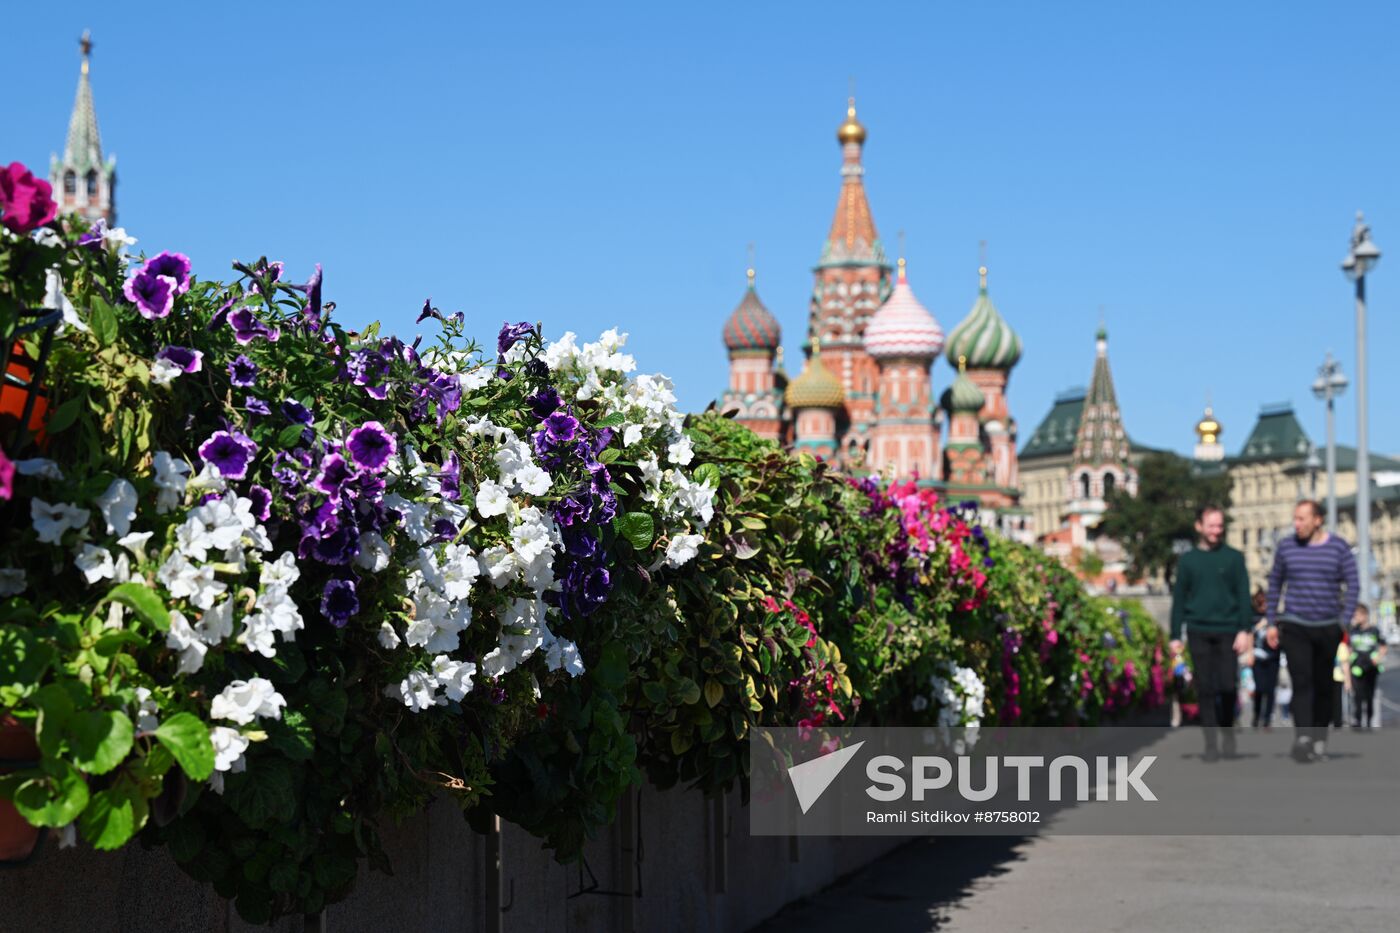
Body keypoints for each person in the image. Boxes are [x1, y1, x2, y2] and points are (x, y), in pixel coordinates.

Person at [1264, 500, 1360, 762]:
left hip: (1328, 626)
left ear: (1318, 520)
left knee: (1323, 685)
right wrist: (1271, 621)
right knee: (1301, 681)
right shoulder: (1287, 547)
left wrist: (1345, 619)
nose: (1297, 524)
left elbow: (1353, 583)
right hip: (1295, 624)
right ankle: (1303, 737)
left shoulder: (1338, 547)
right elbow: (1275, 584)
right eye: (1295, 518)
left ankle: (1319, 739)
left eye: (1302, 519)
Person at [1170, 505, 1252, 761]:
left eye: (1220, 526)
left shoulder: (1234, 558)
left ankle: (1228, 732)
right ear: (1199, 527)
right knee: (1205, 687)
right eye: (1211, 526)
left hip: (1228, 630)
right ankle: (1210, 743)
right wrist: (1175, 635)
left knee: (1228, 686)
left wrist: (1244, 630)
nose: (1216, 531)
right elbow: (1179, 600)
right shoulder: (1189, 561)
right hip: (1199, 630)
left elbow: (1243, 595)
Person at [1349, 604, 1387, 729]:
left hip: (1371, 668)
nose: (1355, 618)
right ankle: (1358, 721)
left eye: (1357, 615)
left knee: (1369, 696)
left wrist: (1378, 658)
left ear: (1365, 615)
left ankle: (1370, 721)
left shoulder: (1374, 630)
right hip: (1356, 668)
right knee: (1357, 696)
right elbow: (1348, 647)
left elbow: (1383, 646)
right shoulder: (1353, 630)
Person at [1250, 588, 1281, 728]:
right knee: (1259, 688)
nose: (1263, 606)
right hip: (1257, 657)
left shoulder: (1276, 618)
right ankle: (1257, 714)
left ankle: (1267, 719)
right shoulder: (1252, 617)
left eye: (1265, 603)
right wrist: (1259, 626)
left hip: (1273, 658)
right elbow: (1247, 634)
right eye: (1260, 603)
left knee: (1270, 689)